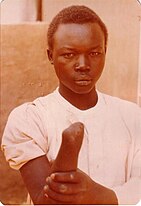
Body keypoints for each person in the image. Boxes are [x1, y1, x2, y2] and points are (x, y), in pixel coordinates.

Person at [1, 5, 141, 205]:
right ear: (51, 56)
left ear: (105, 52)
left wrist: (101, 196)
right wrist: (68, 150)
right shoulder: (30, 118)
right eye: (69, 54)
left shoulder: (132, 117)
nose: (83, 64)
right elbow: (45, 202)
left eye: (94, 53)